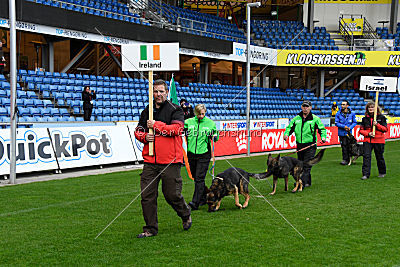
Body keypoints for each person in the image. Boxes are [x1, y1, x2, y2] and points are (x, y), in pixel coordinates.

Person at [134, 79, 192, 238]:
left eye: (161, 91)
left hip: (171, 161)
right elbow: (138, 130)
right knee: (147, 196)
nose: (158, 94)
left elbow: (176, 129)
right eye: (155, 91)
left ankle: (185, 213)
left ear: (167, 93)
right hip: (150, 161)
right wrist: (145, 136)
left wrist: (156, 126)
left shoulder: (176, 109)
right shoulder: (148, 110)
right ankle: (150, 229)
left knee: (171, 194)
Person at [283, 100, 327, 187]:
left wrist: (323, 136)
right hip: (300, 145)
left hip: (310, 145)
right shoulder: (296, 119)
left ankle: (301, 183)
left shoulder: (315, 119)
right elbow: (289, 128)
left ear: (310, 108)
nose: (305, 108)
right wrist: (286, 134)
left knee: (306, 165)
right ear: (301, 107)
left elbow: (322, 129)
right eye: (304, 106)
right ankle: (307, 182)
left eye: (307, 106)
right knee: (301, 164)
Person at [184, 104, 219, 210]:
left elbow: (216, 137)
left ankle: (195, 203)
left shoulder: (210, 123)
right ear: (195, 113)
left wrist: (214, 136)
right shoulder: (188, 122)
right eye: (199, 114)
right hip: (191, 154)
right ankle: (204, 196)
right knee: (196, 177)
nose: (201, 116)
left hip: (204, 154)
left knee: (199, 178)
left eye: (203, 114)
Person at [359, 102, 387, 180]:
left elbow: (385, 129)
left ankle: (382, 172)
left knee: (379, 157)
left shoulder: (381, 117)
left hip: (379, 141)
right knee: (366, 157)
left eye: (372, 107)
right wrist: (368, 133)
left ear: (376, 108)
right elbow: (361, 131)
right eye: (369, 107)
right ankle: (365, 174)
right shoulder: (364, 119)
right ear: (367, 109)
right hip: (368, 140)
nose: (371, 109)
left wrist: (377, 124)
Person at [335, 100, 357, 165]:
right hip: (341, 133)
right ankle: (345, 159)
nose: (342, 106)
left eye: (344, 104)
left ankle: (350, 159)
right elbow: (336, 123)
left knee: (350, 146)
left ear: (347, 106)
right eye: (341, 104)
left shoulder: (352, 113)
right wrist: (344, 126)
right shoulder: (338, 113)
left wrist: (350, 127)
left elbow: (355, 122)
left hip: (349, 133)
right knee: (343, 146)